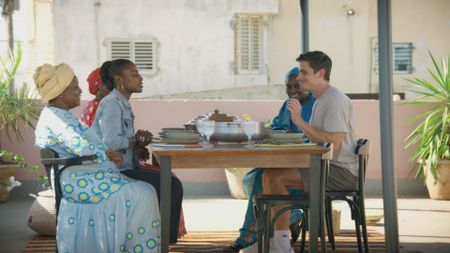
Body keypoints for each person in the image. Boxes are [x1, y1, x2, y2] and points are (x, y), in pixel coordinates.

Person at [33, 63, 160, 253]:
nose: (80, 91)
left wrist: (105, 153)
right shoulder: (56, 118)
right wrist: (107, 154)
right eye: (75, 87)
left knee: (146, 190)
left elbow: (86, 144)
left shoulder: (59, 115)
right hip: (78, 181)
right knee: (143, 194)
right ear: (61, 94)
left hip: (86, 175)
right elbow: (81, 146)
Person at [242, 51, 359, 253]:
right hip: (326, 166)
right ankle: (277, 241)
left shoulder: (335, 100)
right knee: (269, 174)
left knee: (275, 178)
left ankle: (281, 245)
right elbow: (317, 139)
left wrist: (298, 121)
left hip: (340, 172)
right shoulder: (321, 100)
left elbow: (334, 141)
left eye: (304, 72)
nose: (300, 77)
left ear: (320, 73)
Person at [91, 59, 184, 244]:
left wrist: (138, 146)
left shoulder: (122, 103)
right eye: (134, 74)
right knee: (171, 186)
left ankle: (159, 239)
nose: (140, 78)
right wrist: (135, 141)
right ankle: (157, 240)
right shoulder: (112, 104)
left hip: (125, 167)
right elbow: (112, 142)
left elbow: (120, 140)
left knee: (172, 183)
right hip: (114, 172)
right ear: (119, 80)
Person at [225, 67, 316, 252]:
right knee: (251, 178)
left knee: (260, 179)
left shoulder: (317, 105)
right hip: (281, 161)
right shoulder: (287, 105)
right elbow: (275, 127)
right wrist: (257, 131)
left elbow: (314, 137)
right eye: (288, 86)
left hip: (304, 168)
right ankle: (291, 217)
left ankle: (248, 238)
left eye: (296, 86)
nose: (291, 90)